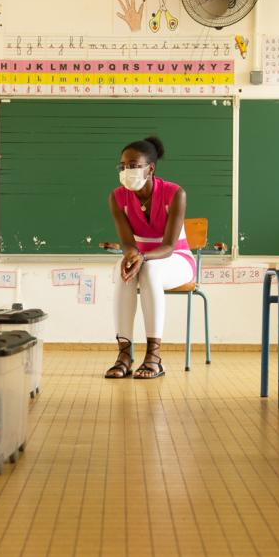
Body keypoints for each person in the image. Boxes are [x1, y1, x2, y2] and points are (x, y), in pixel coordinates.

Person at [105, 136, 195, 380]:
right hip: (144, 259)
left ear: (150, 168)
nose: (126, 171)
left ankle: (154, 357)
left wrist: (141, 257)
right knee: (121, 271)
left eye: (133, 165)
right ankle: (124, 355)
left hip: (176, 259)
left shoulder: (174, 193)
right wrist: (131, 257)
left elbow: (168, 246)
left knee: (151, 271)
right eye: (122, 166)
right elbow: (127, 242)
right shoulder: (117, 197)